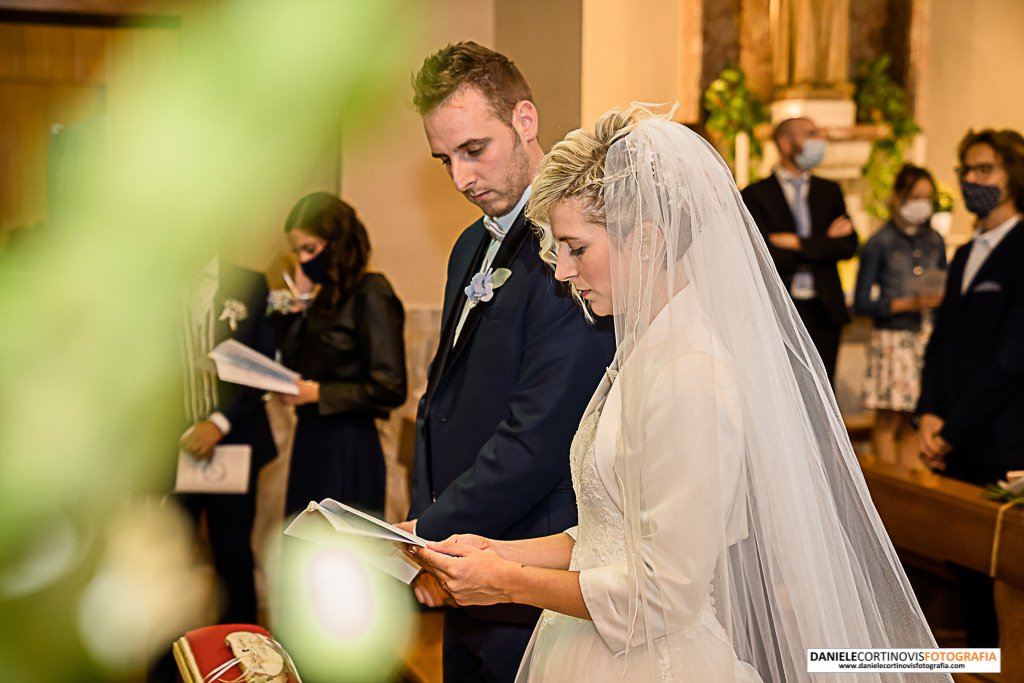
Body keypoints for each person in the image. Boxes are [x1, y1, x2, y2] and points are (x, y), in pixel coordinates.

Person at [408, 106, 948, 682]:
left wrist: (508, 583)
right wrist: (500, 551)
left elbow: (664, 595)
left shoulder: (692, 373)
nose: (561, 271)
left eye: (576, 248)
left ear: (646, 241)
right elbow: (612, 534)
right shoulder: (643, 347)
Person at [405, 42, 616, 682]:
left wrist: (430, 531)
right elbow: (441, 402)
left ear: (525, 120)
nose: (461, 179)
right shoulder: (470, 244)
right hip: (464, 556)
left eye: (475, 150)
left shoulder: (573, 251)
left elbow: (539, 433)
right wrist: (430, 537)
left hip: (531, 558)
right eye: (445, 159)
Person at [917, 129, 1024, 647]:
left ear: (1013, 176)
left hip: (1001, 437)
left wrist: (951, 429)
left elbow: (1011, 359)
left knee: (1001, 575)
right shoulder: (966, 252)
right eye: (966, 171)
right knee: (966, 569)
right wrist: (928, 413)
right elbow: (943, 341)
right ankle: (981, 664)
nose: (971, 181)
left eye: (985, 170)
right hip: (955, 435)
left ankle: (1002, 667)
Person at [268, 192, 406, 517]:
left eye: (310, 249)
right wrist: (301, 298)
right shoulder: (325, 296)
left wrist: (317, 393)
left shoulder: (371, 292)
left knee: (339, 542)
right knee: (302, 538)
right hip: (311, 438)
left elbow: (390, 387)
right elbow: (291, 360)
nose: (303, 261)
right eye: (297, 252)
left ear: (337, 242)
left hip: (349, 445)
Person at [178, 256, 278, 624]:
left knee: (233, 555)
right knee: (171, 557)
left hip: (234, 442)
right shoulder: (154, 284)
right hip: (172, 449)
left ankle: (240, 647)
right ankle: (170, 653)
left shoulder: (249, 283)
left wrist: (218, 423)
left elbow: (263, 366)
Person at [741, 117, 858, 382]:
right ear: (785, 144)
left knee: (824, 387)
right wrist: (821, 243)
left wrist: (796, 243)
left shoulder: (829, 191)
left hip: (824, 309)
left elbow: (846, 245)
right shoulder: (756, 195)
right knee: (783, 385)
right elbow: (764, 254)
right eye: (810, 134)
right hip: (780, 309)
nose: (819, 140)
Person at [854, 165, 947, 468]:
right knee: (888, 419)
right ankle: (887, 484)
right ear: (898, 197)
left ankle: (907, 481)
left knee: (914, 418)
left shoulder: (934, 240)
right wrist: (908, 304)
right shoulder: (879, 242)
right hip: (893, 337)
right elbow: (862, 303)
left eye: (927, 198)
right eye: (915, 197)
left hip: (925, 335)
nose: (922, 204)